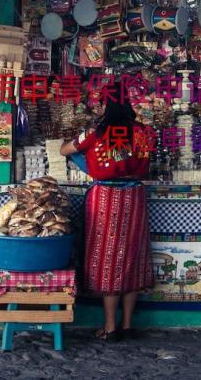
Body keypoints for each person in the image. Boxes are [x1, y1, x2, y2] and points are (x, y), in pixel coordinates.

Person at [60, 82, 153, 341]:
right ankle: (127, 325)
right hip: (134, 197)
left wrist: (88, 163)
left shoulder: (94, 132)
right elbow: (146, 162)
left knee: (107, 259)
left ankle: (110, 327)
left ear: (106, 104)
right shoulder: (144, 132)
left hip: (106, 199)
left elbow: (64, 150)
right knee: (132, 257)